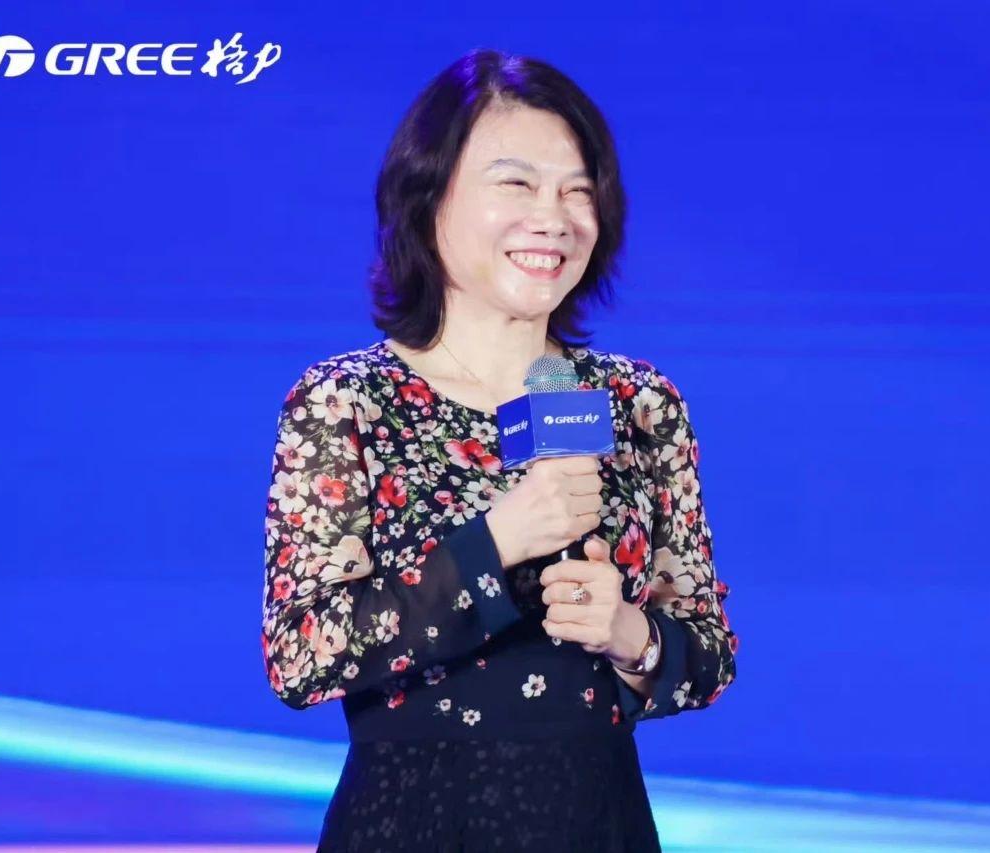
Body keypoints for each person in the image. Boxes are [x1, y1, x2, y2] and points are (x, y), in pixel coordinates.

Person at [260, 47, 738, 852]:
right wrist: (496, 542)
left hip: (597, 822)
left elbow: (709, 657)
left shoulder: (640, 403)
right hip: (412, 823)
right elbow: (300, 659)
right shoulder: (347, 400)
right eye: (517, 184)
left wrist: (630, 634)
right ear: (429, 195)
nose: (554, 218)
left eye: (577, 191)